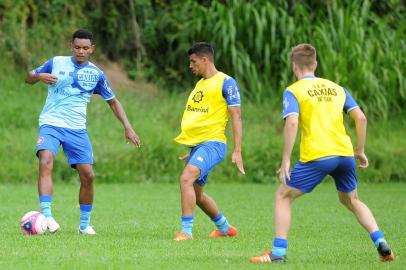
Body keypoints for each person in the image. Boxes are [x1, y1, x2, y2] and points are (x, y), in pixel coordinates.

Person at [250, 43, 395, 263]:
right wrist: (360, 150)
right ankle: (381, 243)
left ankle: (278, 253)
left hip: (318, 155)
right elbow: (361, 118)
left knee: (282, 196)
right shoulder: (337, 88)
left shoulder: (294, 90)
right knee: (352, 200)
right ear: (315, 64)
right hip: (344, 154)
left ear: (293, 66)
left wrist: (286, 159)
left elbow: (291, 123)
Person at [25, 29, 141, 235]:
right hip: (51, 123)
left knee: (88, 176)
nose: (80, 51)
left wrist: (128, 127)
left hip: (77, 129)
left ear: (92, 49)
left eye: (85, 48)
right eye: (77, 47)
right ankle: (47, 216)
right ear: (71, 46)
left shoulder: (96, 74)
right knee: (45, 160)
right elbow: (28, 78)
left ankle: (84, 225)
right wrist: (38, 76)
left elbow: (113, 102)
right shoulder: (56, 62)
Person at [173, 42, 245, 241]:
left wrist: (237, 150)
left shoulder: (226, 82)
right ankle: (224, 227)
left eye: (193, 61)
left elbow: (236, 116)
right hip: (200, 146)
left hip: (213, 144)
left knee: (186, 179)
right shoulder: (201, 84)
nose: (190, 65)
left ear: (205, 60)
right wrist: (195, 149)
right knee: (197, 195)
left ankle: (186, 232)